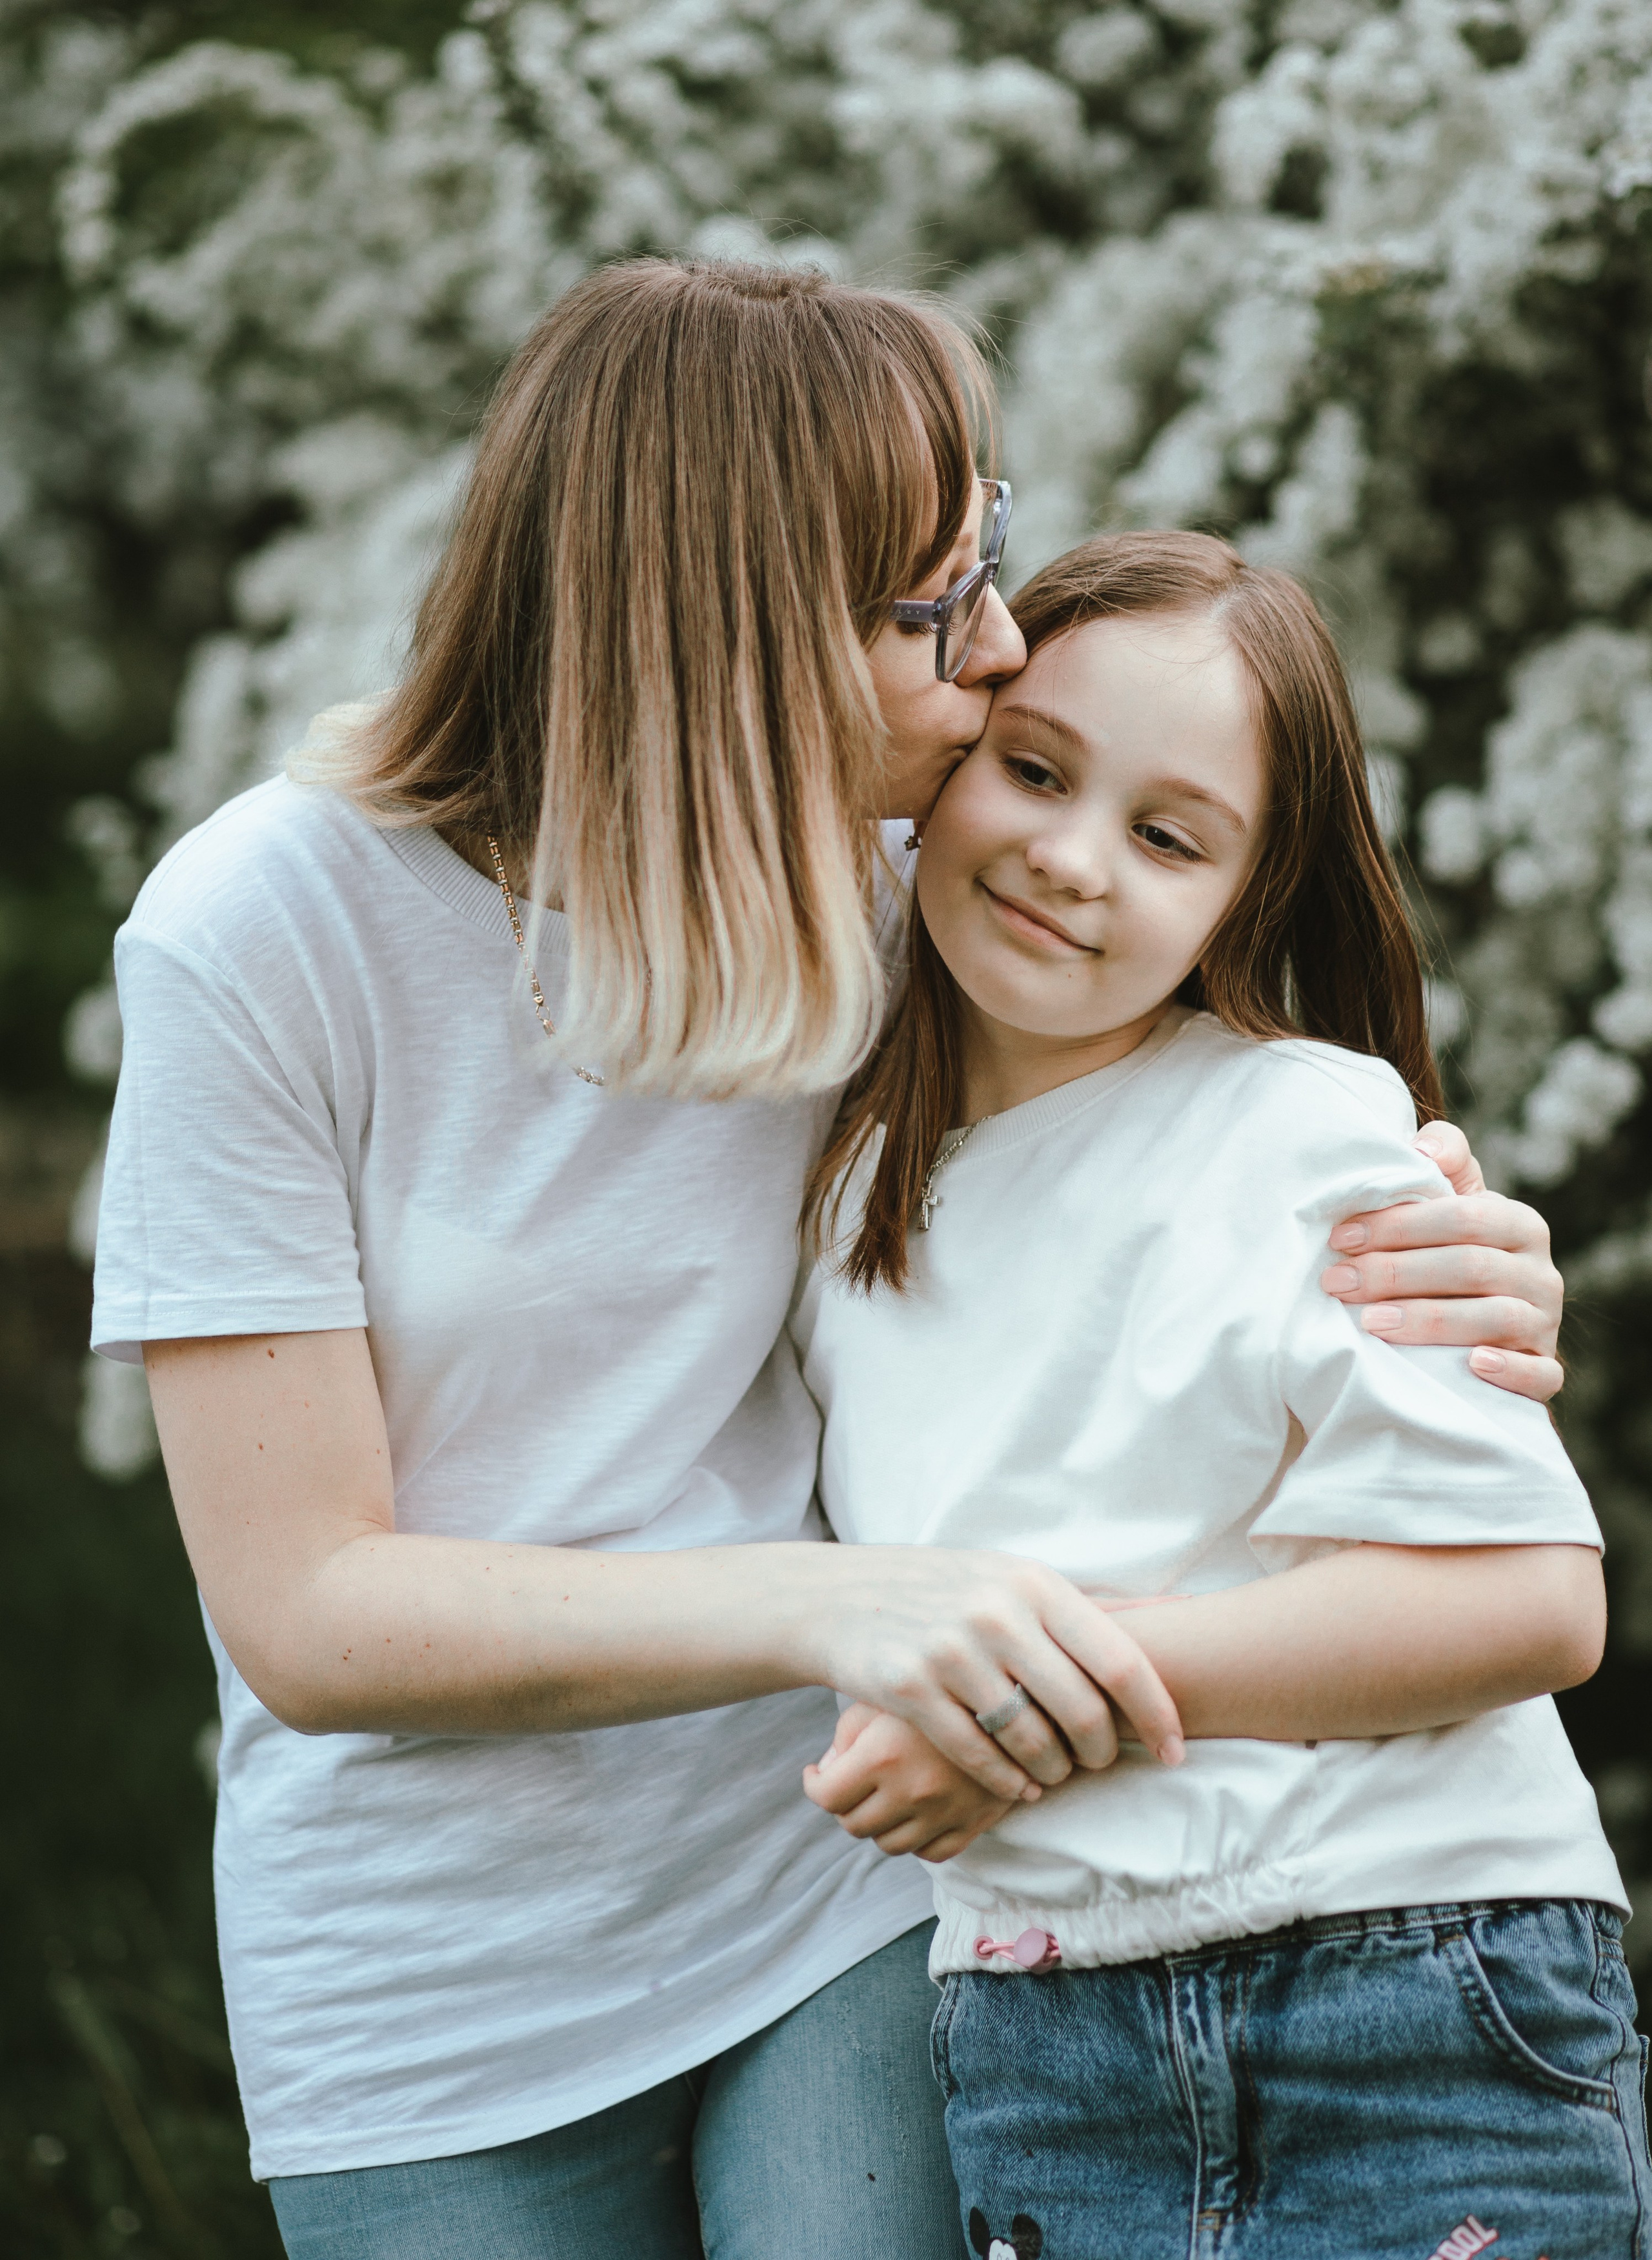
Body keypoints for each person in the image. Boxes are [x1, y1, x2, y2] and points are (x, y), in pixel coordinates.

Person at [91, 262, 1569, 2260]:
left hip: (849, 1879)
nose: (999, 650)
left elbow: (1176, 1127)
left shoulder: (909, 872)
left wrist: (1430, 1240)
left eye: (993, 564)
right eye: (926, 608)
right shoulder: (261, 936)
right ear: (727, 629)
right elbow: (311, 1615)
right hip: (428, 1967)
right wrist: (851, 1606)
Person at [793, 530, 1645, 2258]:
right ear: (944, 763)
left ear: (1242, 902)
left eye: (1167, 836)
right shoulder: (837, 1187)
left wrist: (1024, 1710)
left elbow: (1536, 1600)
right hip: (1047, 2026)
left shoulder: (1301, 1130)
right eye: (1033, 772)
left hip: (1402, 1975)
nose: (1070, 859)